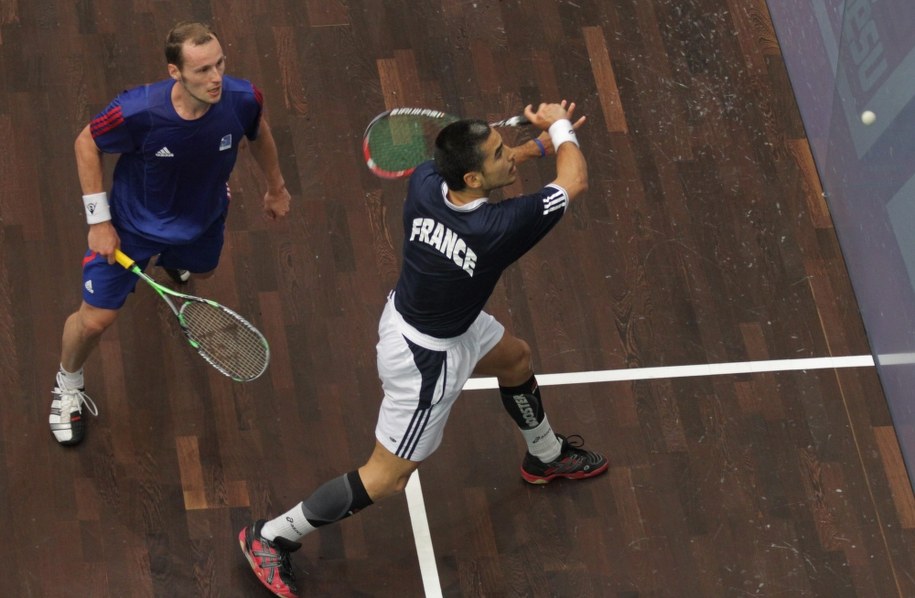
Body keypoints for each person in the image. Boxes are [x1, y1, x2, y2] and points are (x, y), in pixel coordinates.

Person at [238, 100, 606, 598]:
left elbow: (490, 170)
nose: (507, 156)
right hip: (427, 361)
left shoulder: (428, 183)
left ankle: (545, 455)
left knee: (515, 358)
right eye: (499, 153)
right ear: (473, 180)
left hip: (433, 314)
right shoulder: (497, 229)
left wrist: (534, 146)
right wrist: (560, 128)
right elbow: (575, 180)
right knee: (387, 479)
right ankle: (273, 535)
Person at [49, 21, 291, 446]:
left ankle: (173, 266)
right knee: (94, 322)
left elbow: (258, 134)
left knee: (201, 272)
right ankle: (68, 381)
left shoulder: (242, 99)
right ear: (174, 72)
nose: (216, 78)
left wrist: (276, 187)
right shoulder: (137, 112)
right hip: (129, 228)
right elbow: (87, 143)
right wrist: (98, 221)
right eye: (202, 70)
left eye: (220, 64)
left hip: (202, 220)